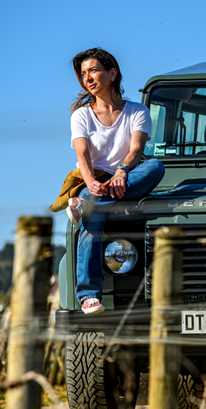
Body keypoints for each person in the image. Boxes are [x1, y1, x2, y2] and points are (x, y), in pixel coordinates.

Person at [64, 48, 164, 314]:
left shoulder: (137, 111)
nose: (88, 78)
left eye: (93, 71)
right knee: (91, 218)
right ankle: (88, 296)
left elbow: (136, 151)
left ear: (112, 73)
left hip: (128, 177)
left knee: (156, 166)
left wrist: (121, 171)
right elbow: (82, 155)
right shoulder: (81, 116)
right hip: (94, 180)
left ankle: (85, 204)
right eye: (84, 74)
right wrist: (92, 184)